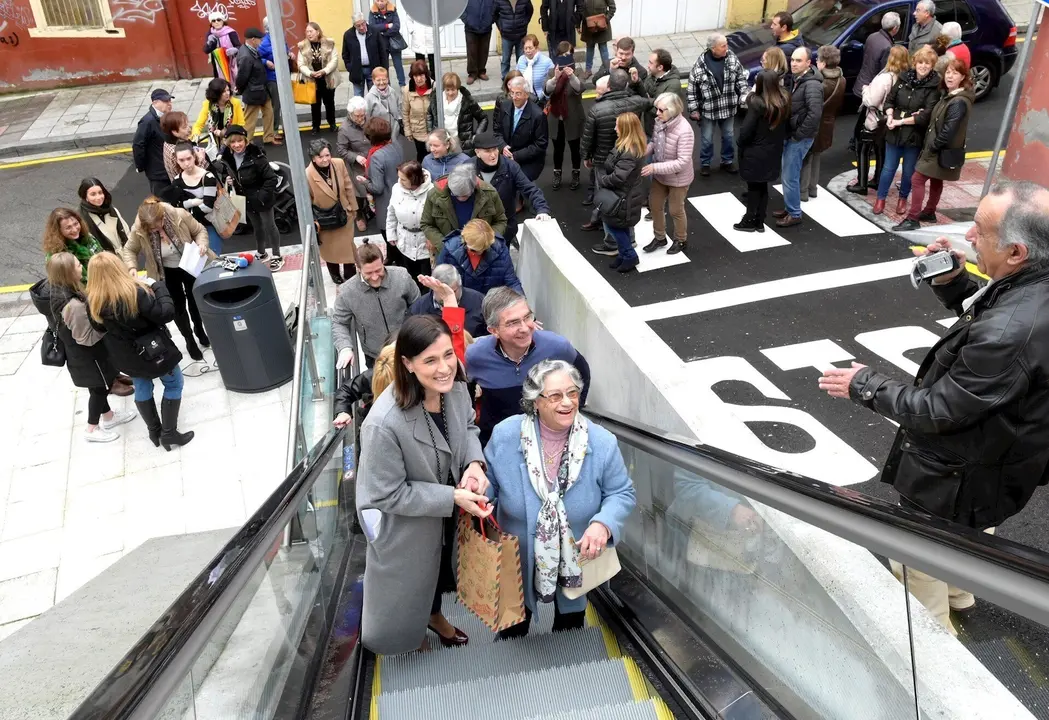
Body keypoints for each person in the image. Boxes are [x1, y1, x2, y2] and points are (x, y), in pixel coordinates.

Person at [818, 181, 1049, 635]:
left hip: (954, 476)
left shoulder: (1012, 330)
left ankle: (933, 649)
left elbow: (938, 409)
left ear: (1018, 251)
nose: (969, 238)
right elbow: (993, 327)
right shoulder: (1031, 289)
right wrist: (953, 282)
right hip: (997, 464)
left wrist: (863, 383)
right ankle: (961, 594)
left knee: (919, 558)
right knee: (966, 539)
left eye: (980, 232)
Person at [355, 314, 492, 655]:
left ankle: (432, 616)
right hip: (409, 524)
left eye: (448, 354)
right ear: (408, 364)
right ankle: (410, 630)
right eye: (430, 360)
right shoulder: (383, 424)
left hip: (450, 512)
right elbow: (386, 492)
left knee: (442, 571)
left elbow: (469, 429)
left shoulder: (456, 392)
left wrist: (474, 463)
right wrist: (453, 496)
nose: (445, 367)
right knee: (412, 582)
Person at [484, 359, 636, 638]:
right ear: (535, 401)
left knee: (570, 628)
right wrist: (479, 494)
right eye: (555, 395)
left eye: (573, 393)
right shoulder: (506, 435)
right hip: (516, 558)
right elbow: (488, 484)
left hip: (576, 557)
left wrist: (602, 524)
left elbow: (621, 492)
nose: (567, 402)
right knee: (512, 631)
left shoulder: (601, 442)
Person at [86, 252, 194, 451]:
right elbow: (166, 313)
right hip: (155, 350)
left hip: (127, 356)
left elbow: (100, 329)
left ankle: (155, 432)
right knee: (174, 384)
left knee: (142, 386)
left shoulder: (93, 302)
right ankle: (169, 433)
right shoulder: (135, 293)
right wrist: (157, 285)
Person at [32, 254, 137, 443]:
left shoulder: (55, 291)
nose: (83, 266)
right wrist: (107, 326)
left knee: (97, 386)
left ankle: (109, 417)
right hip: (89, 356)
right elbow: (86, 338)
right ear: (68, 273)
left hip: (80, 356)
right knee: (100, 389)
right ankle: (92, 428)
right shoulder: (72, 305)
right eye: (79, 265)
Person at [466, 287, 590, 444]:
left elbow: (582, 372)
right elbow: (461, 390)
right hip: (496, 442)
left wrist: (573, 410)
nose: (524, 328)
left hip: (547, 441)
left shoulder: (557, 347)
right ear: (494, 330)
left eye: (527, 317)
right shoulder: (474, 355)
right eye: (513, 323)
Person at [122, 197, 211, 361]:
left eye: (160, 225)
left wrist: (202, 244)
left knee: (195, 299)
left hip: (189, 262)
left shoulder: (179, 214)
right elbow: (129, 250)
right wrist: (132, 268)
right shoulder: (138, 229)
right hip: (164, 270)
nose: (159, 230)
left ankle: (199, 328)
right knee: (177, 307)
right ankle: (188, 338)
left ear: (163, 216)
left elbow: (199, 231)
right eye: (154, 230)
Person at [893, 58, 975, 231]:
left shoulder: (958, 101)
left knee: (917, 179)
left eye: (955, 73)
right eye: (948, 72)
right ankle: (929, 212)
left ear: (963, 77)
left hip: (939, 149)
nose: (950, 76)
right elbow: (940, 118)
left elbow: (949, 129)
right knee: (937, 180)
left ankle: (913, 217)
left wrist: (934, 146)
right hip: (941, 149)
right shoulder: (950, 96)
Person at [580, 69, 651, 250]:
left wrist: (586, 157)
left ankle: (611, 242)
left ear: (609, 86)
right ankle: (630, 238)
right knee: (627, 200)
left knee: (607, 201)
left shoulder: (597, 109)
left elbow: (588, 138)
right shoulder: (636, 102)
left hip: (604, 160)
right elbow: (650, 101)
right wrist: (637, 85)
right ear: (626, 85)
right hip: (629, 157)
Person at [873, 45, 942, 216]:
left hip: (914, 134)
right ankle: (880, 198)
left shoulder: (934, 87)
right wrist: (889, 116)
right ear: (914, 63)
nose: (923, 66)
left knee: (909, 170)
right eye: (920, 62)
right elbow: (890, 100)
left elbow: (925, 115)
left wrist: (900, 121)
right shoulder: (904, 79)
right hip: (894, 130)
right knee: (888, 168)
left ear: (932, 65)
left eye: (927, 63)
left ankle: (902, 198)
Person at [333, 242, 421, 370]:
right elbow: (339, 322)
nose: (374, 277)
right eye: (368, 273)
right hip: (375, 355)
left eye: (378, 270)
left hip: (407, 346)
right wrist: (345, 347)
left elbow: (417, 305)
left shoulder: (402, 276)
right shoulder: (346, 292)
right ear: (358, 268)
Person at [219, 124, 284, 270]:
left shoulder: (257, 156)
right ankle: (261, 253)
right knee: (257, 227)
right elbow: (226, 172)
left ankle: (276, 255)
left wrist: (261, 196)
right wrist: (228, 179)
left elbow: (271, 178)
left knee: (269, 226)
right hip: (245, 199)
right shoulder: (227, 157)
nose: (237, 145)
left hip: (261, 198)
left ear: (245, 140)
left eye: (240, 141)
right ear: (228, 143)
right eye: (233, 142)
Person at [472, 131, 551, 248]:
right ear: (477, 152)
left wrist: (542, 209)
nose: (493, 155)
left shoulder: (510, 167)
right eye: (487, 151)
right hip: (478, 229)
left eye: (495, 149)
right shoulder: (468, 168)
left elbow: (530, 188)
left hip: (504, 229)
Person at [735, 70, 791, 233]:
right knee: (763, 186)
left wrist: (740, 144)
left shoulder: (757, 104)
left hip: (755, 151)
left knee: (753, 188)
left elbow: (746, 131)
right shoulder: (783, 101)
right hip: (773, 151)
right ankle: (760, 220)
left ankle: (750, 220)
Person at [772, 48, 823, 229]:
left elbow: (815, 114)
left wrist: (798, 135)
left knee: (790, 176)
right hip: (793, 135)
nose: (793, 63)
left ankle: (794, 213)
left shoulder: (812, 85)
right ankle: (790, 207)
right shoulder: (797, 79)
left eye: (799, 60)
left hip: (799, 138)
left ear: (808, 63)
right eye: (792, 60)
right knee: (788, 174)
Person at [849, 46, 910, 196]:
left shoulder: (885, 78)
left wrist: (865, 89)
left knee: (862, 149)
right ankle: (877, 180)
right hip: (889, 120)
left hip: (875, 119)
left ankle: (861, 184)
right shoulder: (904, 77)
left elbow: (871, 101)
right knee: (881, 150)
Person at [686, 33, 748, 177]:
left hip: (728, 106)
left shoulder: (732, 57)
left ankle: (727, 161)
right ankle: (705, 163)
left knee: (728, 136)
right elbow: (692, 89)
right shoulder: (700, 65)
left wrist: (745, 93)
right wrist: (694, 109)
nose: (727, 48)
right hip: (709, 109)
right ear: (713, 48)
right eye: (723, 46)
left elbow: (740, 78)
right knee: (707, 138)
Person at [641, 94, 694, 256]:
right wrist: (643, 152)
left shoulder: (685, 131)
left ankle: (681, 239)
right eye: (656, 109)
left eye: (660, 110)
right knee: (655, 205)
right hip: (661, 175)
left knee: (675, 210)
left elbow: (682, 162)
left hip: (678, 178)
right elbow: (654, 143)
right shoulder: (660, 122)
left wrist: (654, 167)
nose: (656, 113)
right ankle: (660, 237)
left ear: (672, 111)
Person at [421, 163, 508, 256]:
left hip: (480, 252)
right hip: (448, 253)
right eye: (455, 195)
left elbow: (500, 221)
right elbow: (426, 224)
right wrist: (444, 245)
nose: (460, 199)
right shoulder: (434, 195)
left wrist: (485, 242)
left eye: (465, 195)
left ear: (474, 187)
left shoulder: (489, 194)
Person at [596, 112, 646, 273]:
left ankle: (630, 256)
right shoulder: (628, 145)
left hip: (623, 196)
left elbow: (619, 177)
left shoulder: (628, 152)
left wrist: (603, 180)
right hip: (624, 194)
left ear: (625, 128)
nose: (615, 128)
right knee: (619, 226)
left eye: (617, 125)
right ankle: (624, 254)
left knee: (615, 226)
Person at [307, 139, 359, 284]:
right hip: (325, 219)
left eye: (327, 155)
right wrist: (314, 221)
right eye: (320, 157)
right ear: (313, 158)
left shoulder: (339, 164)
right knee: (330, 250)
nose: (325, 159)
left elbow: (348, 185)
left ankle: (350, 272)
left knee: (348, 245)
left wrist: (353, 207)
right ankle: (334, 273)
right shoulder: (308, 174)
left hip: (344, 213)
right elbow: (308, 201)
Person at [799, 46, 845, 203]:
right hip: (828, 124)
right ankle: (813, 188)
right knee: (817, 156)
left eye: (818, 60)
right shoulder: (841, 79)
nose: (816, 62)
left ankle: (803, 191)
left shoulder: (819, 83)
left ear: (824, 63)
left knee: (806, 158)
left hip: (815, 124)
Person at [435, 218, 523, 295]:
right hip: (460, 303)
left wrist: (522, 302)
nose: (480, 252)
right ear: (464, 240)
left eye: (485, 248)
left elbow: (511, 281)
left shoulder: (499, 248)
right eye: (474, 250)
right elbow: (438, 284)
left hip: (489, 304)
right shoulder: (449, 250)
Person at [356, 117, 404, 242]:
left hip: (385, 203)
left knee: (389, 236)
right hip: (400, 197)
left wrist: (364, 182)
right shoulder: (396, 145)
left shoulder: (376, 156)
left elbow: (377, 188)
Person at [170, 143, 224, 254]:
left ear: (194, 156)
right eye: (181, 160)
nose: (186, 163)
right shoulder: (176, 181)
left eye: (189, 158)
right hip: (187, 229)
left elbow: (208, 206)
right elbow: (177, 206)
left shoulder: (207, 177)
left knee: (213, 259)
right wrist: (195, 202)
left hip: (209, 225)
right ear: (177, 161)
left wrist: (187, 206)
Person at [544, 43, 585, 191]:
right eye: (562, 56)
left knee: (575, 148)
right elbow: (547, 91)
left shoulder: (578, 71)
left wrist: (571, 76)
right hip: (556, 117)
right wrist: (555, 79)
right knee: (558, 149)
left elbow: (580, 88)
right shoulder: (551, 72)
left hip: (573, 117)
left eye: (568, 55)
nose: (565, 59)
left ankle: (576, 173)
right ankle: (557, 174)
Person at [386, 160, 434, 284]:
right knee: (408, 276)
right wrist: (391, 233)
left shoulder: (432, 191)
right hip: (404, 241)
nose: (399, 182)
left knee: (426, 279)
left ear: (414, 179)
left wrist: (432, 238)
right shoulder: (396, 188)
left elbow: (438, 219)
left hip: (424, 243)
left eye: (403, 179)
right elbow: (391, 212)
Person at [493, 76, 549, 182]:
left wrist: (516, 156)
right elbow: (497, 131)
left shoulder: (538, 115)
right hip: (505, 155)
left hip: (529, 160)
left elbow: (540, 145)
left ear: (526, 95)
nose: (514, 97)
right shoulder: (504, 106)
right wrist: (502, 146)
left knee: (516, 182)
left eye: (518, 93)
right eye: (512, 93)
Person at [409, 263, 487, 338]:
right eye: (441, 291)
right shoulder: (418, 308)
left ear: (459, 284)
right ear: (433, 287)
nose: (447, 296)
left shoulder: (480, 302)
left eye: (452, 291)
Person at [42, 208, 111, 284]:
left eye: (76, 224)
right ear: (58, 230)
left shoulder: (88, 237)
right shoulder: (58, 255)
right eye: (68, 227)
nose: (75, 230)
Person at [337, 96, 374, 232]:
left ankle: (371, 208)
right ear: (350, 114)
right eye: (357, 116)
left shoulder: (369, 120)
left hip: (372, 161)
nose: (360, 119)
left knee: (374, 188)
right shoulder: (344, 129)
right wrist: (356, 157)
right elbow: (341, 150)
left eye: (362, 115)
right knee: (358, 192)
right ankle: (359, 216)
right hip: (356, 166)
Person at [426, 73, 487, 153]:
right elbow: (429, 114)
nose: (450, 93)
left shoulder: (467, 101)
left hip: (460, 144)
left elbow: (483, 118)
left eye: (453, 89)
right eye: (447, 90)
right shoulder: (436, 99)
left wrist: (477, 136)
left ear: (457, 88)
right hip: (441, 142)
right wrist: (431, 133)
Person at [297, 22, 341, 135]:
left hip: (327, 78)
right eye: (307, 32)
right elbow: (301, 64)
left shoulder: (329, 44)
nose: (308, 34)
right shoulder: (302, 46)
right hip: (312, 79)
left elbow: (334, 60)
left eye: (311, 31)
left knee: (329, 102)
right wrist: (311, 73)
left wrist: (324, 71)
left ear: (317, 32)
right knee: (314, 104)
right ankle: (315, 126)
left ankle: (332, 123)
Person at [236, 28, 277, 146]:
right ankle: (246, 142)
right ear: (253, 40)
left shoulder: (251, 49)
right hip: (253, 92)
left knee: (269, 112)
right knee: (250, 119)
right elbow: (242, 77)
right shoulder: (246, 56)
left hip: (261, 90)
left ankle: (268, 137)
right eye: (260, 39)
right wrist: (242, 90)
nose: (261, 41)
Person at [133, 89, 174, 197]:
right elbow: (138, 145)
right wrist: (140, 165)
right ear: (154, 102)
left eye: (170, 100)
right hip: (159, 174)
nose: (169, 103)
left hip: (170, 169)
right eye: (166, 101)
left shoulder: (167, 117)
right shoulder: (147, 121)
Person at [78, 178, 130, 256]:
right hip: (105, 262)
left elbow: (126, 232)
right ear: (85, 197)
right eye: (93, 194)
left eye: (100, 192)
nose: (99, 197)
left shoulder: (112, 210)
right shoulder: (83, 219)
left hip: (125, 256)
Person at [854, 11, 900, 99]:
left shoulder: (872, 36)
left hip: (861, 83)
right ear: (895, 28)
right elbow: (884, 71)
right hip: (871, 89)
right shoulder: (887, 47)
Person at [641, 48, 685, 133]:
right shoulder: (652, 75)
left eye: (651, 63)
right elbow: (644, 92)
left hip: (661, 131)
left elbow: (662, 110)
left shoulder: (673, 85)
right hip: (649, 125)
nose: (648, 65)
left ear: (660, 67)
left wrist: (645, 101)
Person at [191, 78, 246, 145]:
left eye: (228, 90)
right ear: (216, 94)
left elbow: (241, 124)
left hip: (232, 140)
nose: (227, 93)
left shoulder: (235, 103)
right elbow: (198, 125)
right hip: (215, 142)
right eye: (223, 92)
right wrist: (195, 137)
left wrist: (223, 133)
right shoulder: (208, 104)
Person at [258, 16, 287, 143]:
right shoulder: (264, 43)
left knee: (284, 105)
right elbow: (258, 57)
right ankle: (274, 131)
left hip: (282, 76)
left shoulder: (280, 38)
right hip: (272, 79)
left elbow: (285, 48)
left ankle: (285, 129)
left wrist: (289, 53)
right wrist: (266, 62)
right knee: (276, 105)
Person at [344, 13, 382, 99]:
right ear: (354, 25)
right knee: (358, 99)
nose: (361, 27)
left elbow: (382, 51)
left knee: (374, 97)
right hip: (357, 70)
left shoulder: (374, 31)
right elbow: (345, 54)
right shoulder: (348, 35)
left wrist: (382, 69)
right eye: (358, 26)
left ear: (365, 21)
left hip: (373, 69)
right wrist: (350, 67)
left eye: (363, 24)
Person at [403, 60, 435, 162]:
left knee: (435, 156)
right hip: (418, 132)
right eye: (415, 76)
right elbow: (405, 112)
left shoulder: (435, 87)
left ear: (426, 75)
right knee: (422, 157)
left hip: (434, 132)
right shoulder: (407, 90)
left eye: (421, 75)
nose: (418, 79)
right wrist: (408, 131)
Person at [160, 111, 206, 182]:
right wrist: (201, 159)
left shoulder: (168, 142)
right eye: (184, 127)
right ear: (175, 132)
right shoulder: (176, 152)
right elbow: (190, 178)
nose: (189, 129)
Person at [369, 0, 406, 87]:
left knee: (398, 65)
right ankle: (386, 85)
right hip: (381, 43)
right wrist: (387, 26)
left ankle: (402, 85)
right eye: (377, 1)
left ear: (386, 1)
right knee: (384, 66)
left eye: (382, 1)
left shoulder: (392, 9)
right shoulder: (372, 11)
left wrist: (384, 33)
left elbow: (396, 26)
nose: (380, 3)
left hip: (394, 41)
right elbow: (372, 27)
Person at [494, 0, 534, 78]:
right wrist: (501, 27)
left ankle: (521, 77)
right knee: (505, 59)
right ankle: (505, 78)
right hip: (506, 35)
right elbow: (495, 15)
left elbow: (530, 11)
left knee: (521, 59)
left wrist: (524, 23)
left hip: (521, 35)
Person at [365, 67, 403, 141]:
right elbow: (367, 118)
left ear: (388, 79)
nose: (381, 82)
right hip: (379, 136)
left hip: (395, 133)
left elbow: (398, 109)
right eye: (378, 80)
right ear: (373, 81)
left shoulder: (393, 92)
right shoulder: (369, 97)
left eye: (384, 79)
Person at [462, 0, 496, 84]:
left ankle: (481, 71)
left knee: (484, 51)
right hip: (471, 28)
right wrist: (467, 20)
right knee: (472, 51)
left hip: (486, 27)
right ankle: (472, 73)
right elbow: (460, 9)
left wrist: (491, 19)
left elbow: (497, 7)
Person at [579, 0, 614, 80]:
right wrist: (582, 22)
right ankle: (588, 70)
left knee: (603, 49)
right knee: (589, 49)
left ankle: (607, 70)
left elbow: (612, 8)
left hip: (602, 27)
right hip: (588, 28)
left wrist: (606, 19)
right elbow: (580, 8)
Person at [517, 34, 555, 101]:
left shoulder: (547, 62)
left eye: (530, 48)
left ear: (536, 48)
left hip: (541, 100)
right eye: (525, 48)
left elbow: (553, 82)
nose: (528, 51)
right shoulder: (521, 60)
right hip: (524, 100)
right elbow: (516, 77)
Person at [204, 12, 240, 82]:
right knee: (221, 82)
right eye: (213, 21)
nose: (216, 22)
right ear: (211, 23)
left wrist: (235, 50)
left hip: (231, 60)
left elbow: (239, 46)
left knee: (234, 79)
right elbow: (206, 51)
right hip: (218, 63)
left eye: (218, 19)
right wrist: (209, 43)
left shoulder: (231, 32)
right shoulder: (210, 34)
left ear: (223, 21)